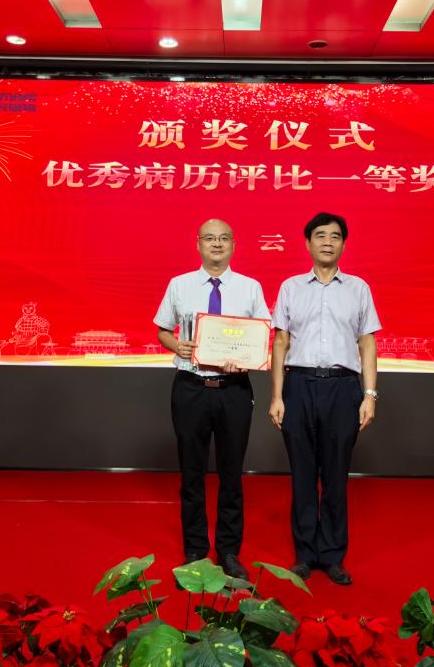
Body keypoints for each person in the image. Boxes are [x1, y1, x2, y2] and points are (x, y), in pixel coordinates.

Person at [269, 212, 381, 586]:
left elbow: (367, 342)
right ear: (308, 243)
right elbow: (280, 342)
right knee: (302, 475)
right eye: (320, 235)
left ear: (343, 244)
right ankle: (304, 554)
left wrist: (369, 395)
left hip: (343, 388)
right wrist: (277, 395)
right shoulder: (290, 287)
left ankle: (332, 555)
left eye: (335, 236)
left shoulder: (358, 289)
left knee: (335, 475)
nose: (328, 242)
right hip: (298, 386)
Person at [154, 219, 270, 580]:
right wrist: (177, 345)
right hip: (191, 387)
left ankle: (229, 552)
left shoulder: (250, 288)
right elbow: (162, 331)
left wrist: (246, 358)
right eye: (209, 238)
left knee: (232, 474)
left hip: (234, 389)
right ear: (198, 244)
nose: (216, 244)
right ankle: (195, 551)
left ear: (234, 244)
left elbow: (262, 337)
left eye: (223, 238)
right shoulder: (180, 284)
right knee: (192, 472)